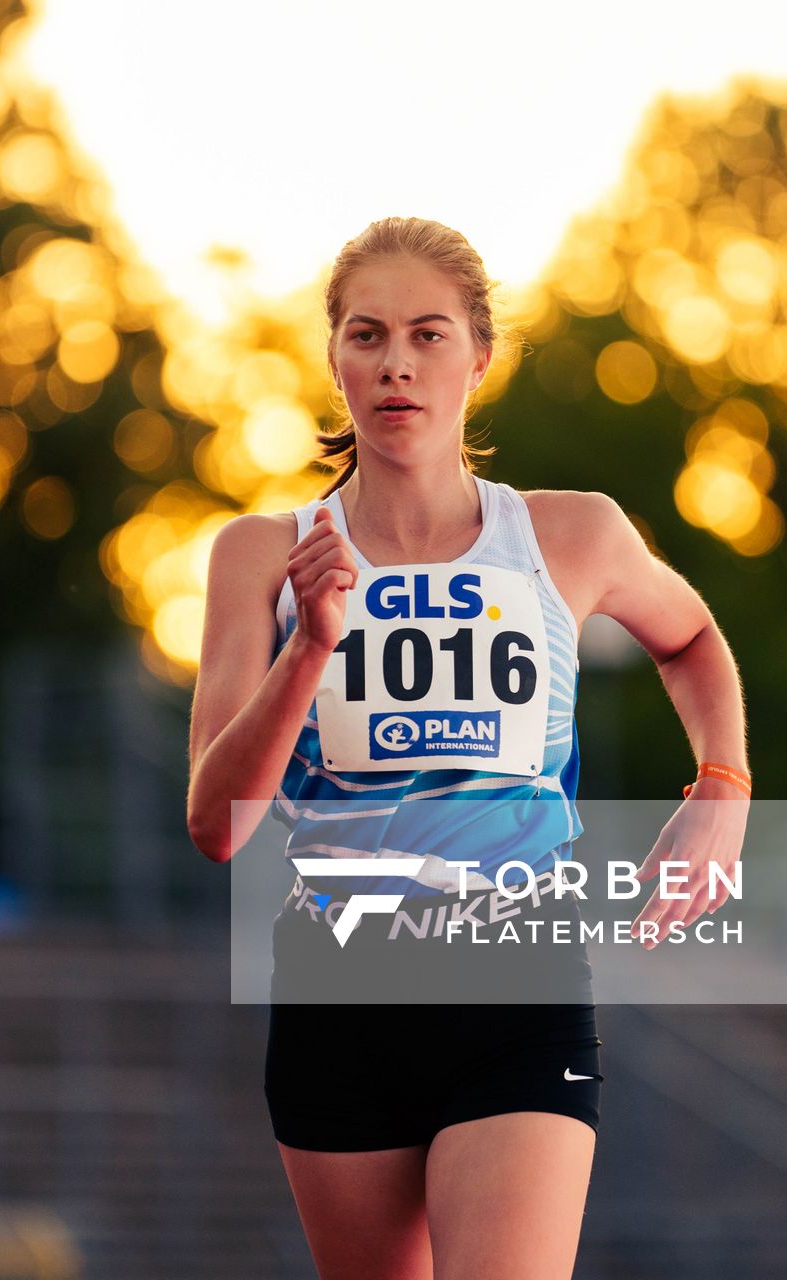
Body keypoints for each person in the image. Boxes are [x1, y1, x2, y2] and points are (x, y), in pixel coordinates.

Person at [186, 216, 750, 1279]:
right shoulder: (261, 555)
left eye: (428, 334)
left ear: (479, 357)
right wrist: (308, 646)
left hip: (515, 975)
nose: (396, 360)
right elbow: (218, 826)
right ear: (335, 358)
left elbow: (694, 637)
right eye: (367, 334)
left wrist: (722, 784)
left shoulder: (568, 536)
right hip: (337, 989)